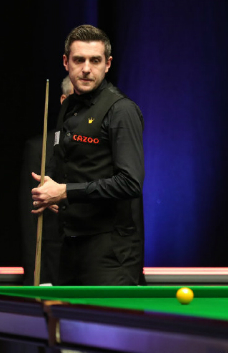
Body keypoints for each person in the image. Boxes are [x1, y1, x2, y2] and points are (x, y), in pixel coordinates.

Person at [31, 24, 146, 286]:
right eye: (78, 60)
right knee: (65, 315)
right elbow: (75, 165)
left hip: (111, 253)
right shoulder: (68, 107)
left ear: (107, 64)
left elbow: (131, 183)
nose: (86, 68)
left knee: (103, 316)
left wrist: (65, 191)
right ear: (66, 62)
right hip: (70, 246)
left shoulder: (121, 110)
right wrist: (52, 189)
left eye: (95, 60)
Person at [19, 76, 73, 285]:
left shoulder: (105, 147)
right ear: (64, 100)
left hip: (95, 264)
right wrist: (35, 273)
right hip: (52, 263)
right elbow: (29, 214)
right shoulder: (39, 148)